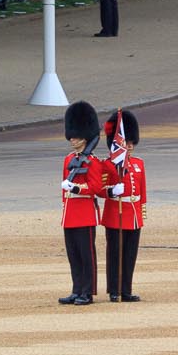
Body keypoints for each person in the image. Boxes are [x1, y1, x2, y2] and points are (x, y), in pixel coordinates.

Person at [58, 101, 110, 306]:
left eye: (77, 136)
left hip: (85, 213)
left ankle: (88, 292)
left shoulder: (93, 162)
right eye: (71, 135)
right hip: (70, 213)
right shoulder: (68, 159)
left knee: (87, 256)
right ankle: (76, 289)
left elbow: (96, 188)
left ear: (85, 137)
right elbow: (65, 189)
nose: (73, 139)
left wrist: (77, 189)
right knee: (73, 255)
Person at [102, 108, 146, 302]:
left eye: (130, 142)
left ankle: (126, 289)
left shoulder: (139, 164)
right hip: (116, 213)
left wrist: (141, 214)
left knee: (129, 255)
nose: (129, 146)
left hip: (133, 214)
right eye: (125, 142)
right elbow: (101, 189)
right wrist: (113, 191)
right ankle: (114, 289)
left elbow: (142, 193)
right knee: (115, 254)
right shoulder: (109, 165)